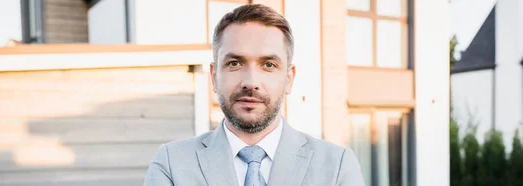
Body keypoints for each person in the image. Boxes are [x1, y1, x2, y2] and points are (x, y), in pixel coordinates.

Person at [144, 4, 364, 186]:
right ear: (213, 76)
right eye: (234, 63)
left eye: (268, 64)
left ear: (289, 78)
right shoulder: (172, 163)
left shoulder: (337, 166)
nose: (250, 82)